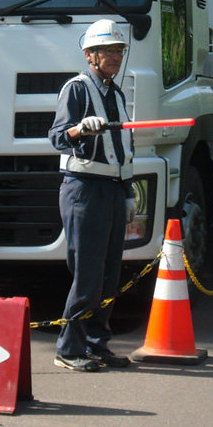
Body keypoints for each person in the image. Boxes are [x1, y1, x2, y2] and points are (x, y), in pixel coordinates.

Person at [48, 19, 136, 371]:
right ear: (90, 55)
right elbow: (56, 137)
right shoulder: (77, 88)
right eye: (108, 50)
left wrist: (128, 192)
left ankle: (97, 343)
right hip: (83, 189)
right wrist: (79, 128)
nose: (115, 56)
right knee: (86, 273)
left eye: (119, 50)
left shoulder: (114, 92)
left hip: (113, 188)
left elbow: (123, 147)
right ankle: (69, 349)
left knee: (109, 273)